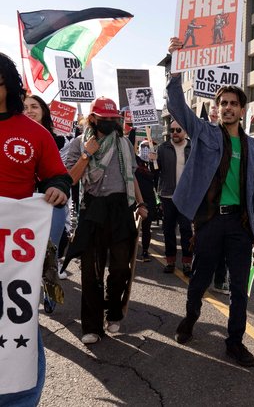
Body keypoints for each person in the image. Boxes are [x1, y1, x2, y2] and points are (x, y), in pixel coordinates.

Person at [168, 37, 254, 367]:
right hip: (211, 221)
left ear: (243, 110)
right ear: (218, 108)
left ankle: (235, 342)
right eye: (222, 102)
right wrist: (174, 66)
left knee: (239, 289)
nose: (227, 107)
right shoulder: (205, 133)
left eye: (233, 103)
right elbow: (178, 108)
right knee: (199, 280)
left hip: (240, 225)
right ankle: (190, 318)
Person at [0, 52, 71, 405]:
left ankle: (21, 397)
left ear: (8, 85)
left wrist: (57, 188)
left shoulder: (34, 133)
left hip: (16, 250)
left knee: (19, 326)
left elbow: (57, 175)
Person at [64, 96, 148, 345]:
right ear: (93, 119)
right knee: (91, 271)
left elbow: (131, 177)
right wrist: (86, 155)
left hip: (122, 207)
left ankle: (113, 311)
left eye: (114, 119)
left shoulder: (123, 143)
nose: (111, 122)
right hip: (94, 209)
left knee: (122, 267)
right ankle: (91, 326)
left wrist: (141, 203)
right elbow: (70, 179)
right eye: (105, 119)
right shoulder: (79, 143)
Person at [24, 94, 71, 280]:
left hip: (50, 201)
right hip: (20, 203)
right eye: (24, 107)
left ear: (44, 111)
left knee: (50, 247)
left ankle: (50, 274)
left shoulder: (60, 142)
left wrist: (58, 186)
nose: (29, 111)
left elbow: (62, 173)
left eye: (34, 106)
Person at [150, 119, 193, 275]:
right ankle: (170, 261)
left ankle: (187, 263)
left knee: (186, 230)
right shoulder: (163, 148)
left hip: (186, 197)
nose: (174, 133)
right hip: (167, 195)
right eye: (172, 130)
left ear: (185, 132)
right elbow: (156, 171)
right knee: (168, 230)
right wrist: (152, 161)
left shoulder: (192, 148)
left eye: (178, 130)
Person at [131, 135, 157, 262]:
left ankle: (145, 251)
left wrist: (154, 163)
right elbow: (130, 144)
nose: (147, 149)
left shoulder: (155, 164)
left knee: (147, 227)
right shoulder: (136, 161)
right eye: (144, 146)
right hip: (135, 198)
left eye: (149, 146)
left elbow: (158, 179)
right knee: (132, 226)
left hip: (149, 199)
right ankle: (130, 250)